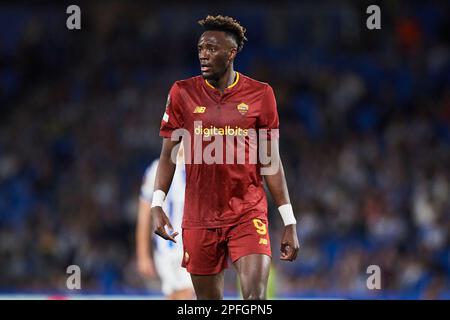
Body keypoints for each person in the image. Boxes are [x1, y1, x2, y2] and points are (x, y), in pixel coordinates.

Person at [150, 15, 299, 300]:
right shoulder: (182, 92)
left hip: (247, 212)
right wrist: (158, 203)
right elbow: (168, 153)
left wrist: (289, 220)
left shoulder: (260, 94)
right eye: (201, 49)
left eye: (212, 49)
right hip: (199, 218)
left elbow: (271, 161)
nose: (203, 55)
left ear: (231, 53)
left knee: (255, 298)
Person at [136, 145, 195, 299]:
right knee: (186, 292)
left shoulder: (200, 167)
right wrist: (143, 254)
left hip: (194, 244)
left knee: (180, 293)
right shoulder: (156, 169)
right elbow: (144, 214)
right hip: (169, 246)